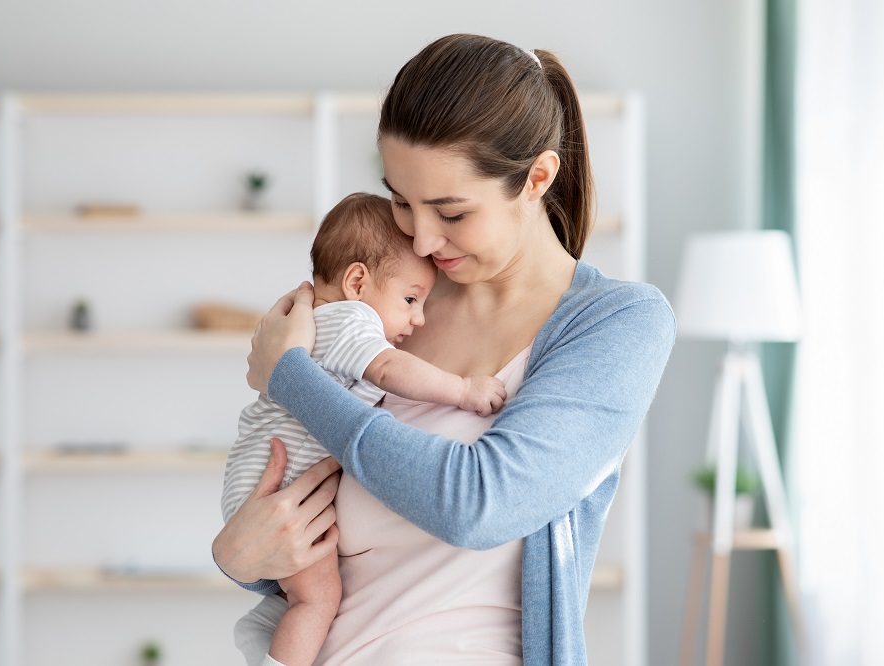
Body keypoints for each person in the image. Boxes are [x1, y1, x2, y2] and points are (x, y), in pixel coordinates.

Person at [213, 33, 676, 665]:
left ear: (538, 178)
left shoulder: (617, 322)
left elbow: (478, 505)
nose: (423, 240)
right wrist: (238, 558)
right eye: (401, 202)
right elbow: (297, 510)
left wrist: (292, 377)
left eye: (451, 213)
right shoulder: (393, 307)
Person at [221, 192, 507, 666]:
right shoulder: (351, 321)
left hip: (259, 482)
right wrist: (462, 389)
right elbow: (391, 369)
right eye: (410, 299)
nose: (418, 318)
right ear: (357, 282)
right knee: (317, 599)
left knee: (303, 592)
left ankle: (266, 624)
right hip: (278, 487)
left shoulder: (313, 324)